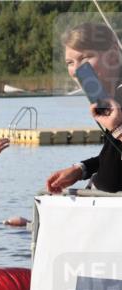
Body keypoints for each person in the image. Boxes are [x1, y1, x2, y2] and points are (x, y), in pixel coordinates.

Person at [45, 22, 122, 194]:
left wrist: (118, 128)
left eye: (85, 58)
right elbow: (114, 155)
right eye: (70, 62)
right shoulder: (109, 96)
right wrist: (81, 169)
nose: (76, 70)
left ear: (113, 56)